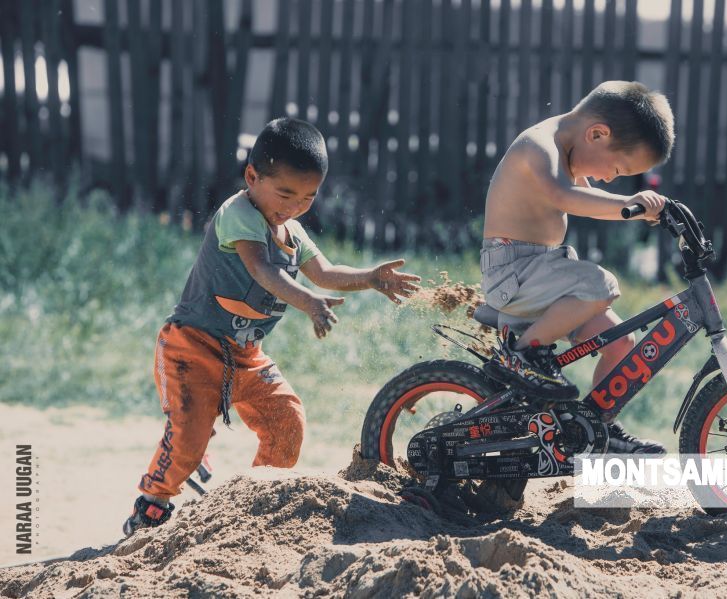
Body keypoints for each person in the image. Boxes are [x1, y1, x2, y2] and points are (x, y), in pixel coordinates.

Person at [123, 118, 421, 535]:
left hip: (245, 357)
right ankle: (151, 507)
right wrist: (307, 302)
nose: (294, 206)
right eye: (285, 194)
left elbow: (325, 272)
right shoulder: (239, 214)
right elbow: (262, 270)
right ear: (252, 177)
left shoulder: (292, 233)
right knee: (188, 438)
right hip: (193, 349)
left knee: (287, 422)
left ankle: (253, 501)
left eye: (308, 197)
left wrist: (370, 278)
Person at [480, 81, 674, 453]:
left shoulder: (568, 149)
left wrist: (646, 210)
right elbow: (566, 196)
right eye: (617, 168)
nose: (611, 178)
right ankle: (522, 356)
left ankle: (599, 429)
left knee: (621, 343)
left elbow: (588, 196)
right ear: (597, 134)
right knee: (601, 285)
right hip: (512, 272)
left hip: (541, 272)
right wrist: (628, 205)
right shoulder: (538, 146)